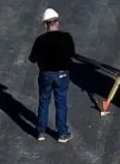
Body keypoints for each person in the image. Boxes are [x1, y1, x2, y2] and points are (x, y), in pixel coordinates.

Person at [29, 8, 75, 143]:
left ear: (45, 24)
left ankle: (40, 131)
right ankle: (62, 133)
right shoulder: (66, 37)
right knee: (61, 103)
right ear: (57, 22)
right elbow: (71, 53)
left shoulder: (40, 40)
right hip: (62, 74)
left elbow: (32, 58)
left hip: (45, 75)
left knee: (44, 101)